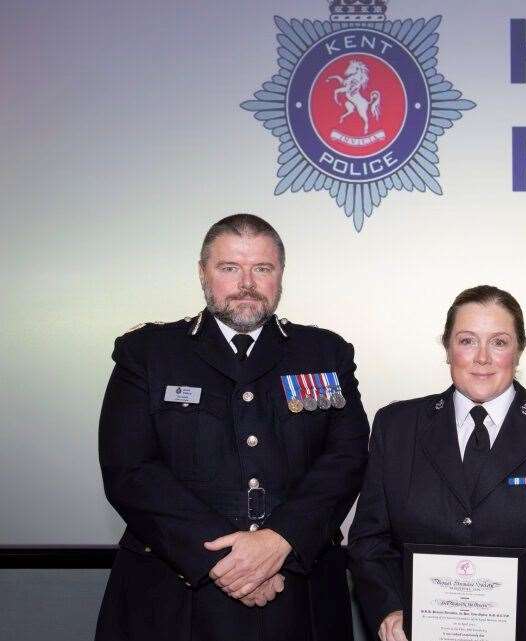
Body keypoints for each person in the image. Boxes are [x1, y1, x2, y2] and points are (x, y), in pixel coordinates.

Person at [95, 214, 370, 641]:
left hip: (299, 592)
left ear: (280, 275)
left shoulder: (325, 352)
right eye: (230, 268)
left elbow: (347, 459)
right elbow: (130, 470)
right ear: (203, 273)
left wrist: (280, 540)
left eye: (262, 268)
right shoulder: (148, 353)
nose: (247, 283)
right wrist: (232, 561)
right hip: (175, 597)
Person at [348, 285, 526, 641]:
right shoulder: (396, 427)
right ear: (447, 348)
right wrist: (388, 608)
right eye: (468, 340)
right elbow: (370, 540)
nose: (483, 358)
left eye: (499, 342)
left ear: (519, 350)